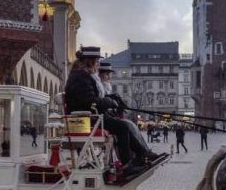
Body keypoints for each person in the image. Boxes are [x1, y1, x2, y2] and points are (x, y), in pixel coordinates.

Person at [65, 46, 160, 175]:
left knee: (124, 125)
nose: (98, 65)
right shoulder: (81, 77)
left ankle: (143, 154)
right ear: (91, 62)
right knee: (122, 127)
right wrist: (109, 101)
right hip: (84, 120)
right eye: (97, 61)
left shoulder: (82, 75)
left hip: (89, 117)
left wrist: (111, 98)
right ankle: (128, 165)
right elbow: (89, 101)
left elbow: (92, 99)